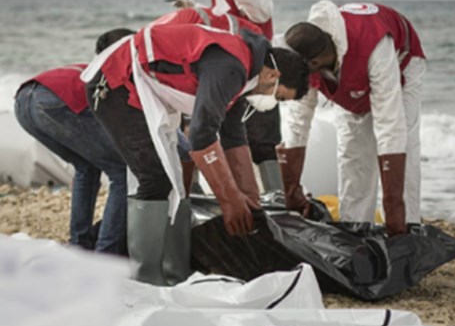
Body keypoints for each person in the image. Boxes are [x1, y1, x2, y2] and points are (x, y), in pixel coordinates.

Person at [81, 22, 308, 286]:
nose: (271, 104)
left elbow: (233, 136)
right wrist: (229, 199)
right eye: (278, 97)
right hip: (114, 83)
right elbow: (201, 134)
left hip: (146, 91)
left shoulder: (245, 75)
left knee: (182, 179)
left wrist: (249, 200)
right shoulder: (232, 67)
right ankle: (146, 281)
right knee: (155, 178)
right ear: (272, 76)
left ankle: (175, 273)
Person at [279, 1, 427, 236]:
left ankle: (407, 226)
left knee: (403, 143)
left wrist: (392, 206)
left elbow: (390, 124)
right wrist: (291, 190)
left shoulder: (376, 48)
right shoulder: (304, 57)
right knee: (353, 150)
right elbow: (297, 123)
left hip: (401, 62)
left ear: (314, 64)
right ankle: (355, 226)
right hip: (348, 70)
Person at [173, 0, 282, 193]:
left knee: (261, 137)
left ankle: (274, 199)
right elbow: (224, 17)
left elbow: (262, 10)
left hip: (254, 66)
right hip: (235, 65)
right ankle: (244, 198)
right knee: (230, 129)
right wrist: (196, 10)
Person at [13, 28, 135, 254]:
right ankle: (106, 253)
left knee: (86, 167)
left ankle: (79, 245)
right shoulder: (118, 72)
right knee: (122, 170)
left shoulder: (86, 67)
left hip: (23, 102)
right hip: (54, 102)